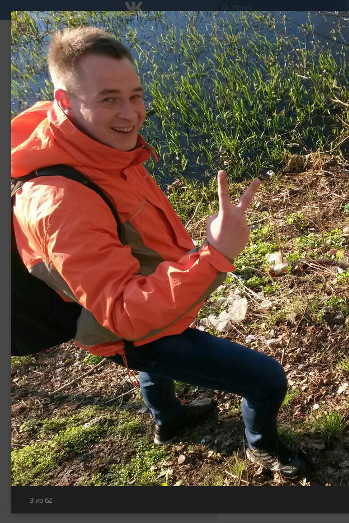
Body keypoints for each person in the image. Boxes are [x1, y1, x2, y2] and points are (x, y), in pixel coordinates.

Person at [11, 27, 306, 478]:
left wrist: (191, 259)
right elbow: (125, 314)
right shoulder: (61, 202)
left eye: (135, 95)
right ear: (65, 101)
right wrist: (215, 254)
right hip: (127, 328)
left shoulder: (88, 141)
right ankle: (262, 447)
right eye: (109, 98)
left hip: (151, 295)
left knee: (154, 370)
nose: (131, 113)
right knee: (265, 380)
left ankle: (169, 422)